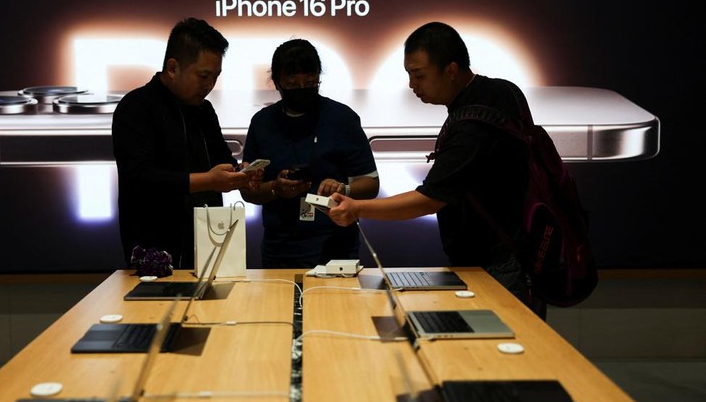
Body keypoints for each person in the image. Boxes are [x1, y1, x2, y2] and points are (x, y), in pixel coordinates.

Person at [326, 22, 546, 319]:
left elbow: (430, 198)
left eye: (419, 75)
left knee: (503, 353)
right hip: (509, 253)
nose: (412, 85)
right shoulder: (503, 91)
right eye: (409, 75)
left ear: (451, 70)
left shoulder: (473, 125)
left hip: (500, 264)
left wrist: (357, 208)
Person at [112, 17, 258, 269]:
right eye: (203, 76)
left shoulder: (204, 110)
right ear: (172, 67)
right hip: (153, 250)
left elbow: (222, 158)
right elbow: (139, 177)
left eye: (215, 76)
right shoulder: (136, 108)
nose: (210, 85)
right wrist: (209, 180)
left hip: (209, 244)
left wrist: (240, 173)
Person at [240, 38, 380, 268]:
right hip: (279, 249)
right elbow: (249, 191)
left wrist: (342, 188)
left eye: (311, 82)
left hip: (337, 248)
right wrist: (276, 188)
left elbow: (371, 184)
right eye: (293, 84)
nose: (302, 90)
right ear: (277, 83)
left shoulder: (342, 118)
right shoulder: (263, 122)